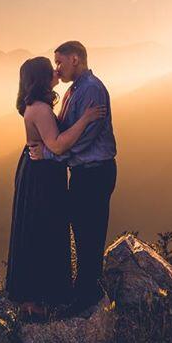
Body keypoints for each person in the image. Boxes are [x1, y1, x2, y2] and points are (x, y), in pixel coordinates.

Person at [6, 56, 105, 320]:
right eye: (50, 69)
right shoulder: (38, 108)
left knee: (37, 227)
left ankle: (37, 295)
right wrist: (85, 119)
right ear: (40, 77)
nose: (55, 70)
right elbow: (58, 145)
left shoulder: (36, 105)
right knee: (43, 228)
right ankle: (38, 297)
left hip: (38, 171)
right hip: (42, 175)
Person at [28, 40, 118, 315]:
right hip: (83, 172)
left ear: (75, 59)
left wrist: (49, 154)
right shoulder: (74, 90)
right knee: (81, 228)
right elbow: (66, 130)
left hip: (95, 171)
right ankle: (85, 287)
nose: (57, 68)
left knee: (90, 230)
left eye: (60, 62)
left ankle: (88, 294)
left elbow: (85, 140)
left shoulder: (91, 90)